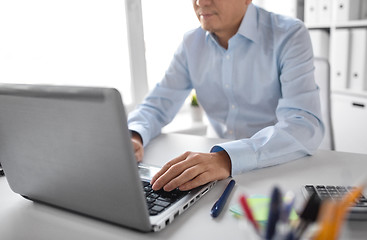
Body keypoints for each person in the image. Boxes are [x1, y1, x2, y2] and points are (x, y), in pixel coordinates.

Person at [128, 0, 324, 192]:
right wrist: (134, 135)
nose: (201, 2)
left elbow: (303, 123)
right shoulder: (191, 43)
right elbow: (158, 104)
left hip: (278, 168)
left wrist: (227, 158)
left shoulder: (289, 34)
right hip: (213, 173)